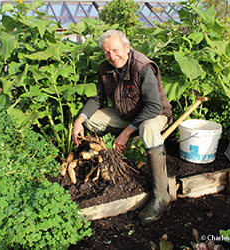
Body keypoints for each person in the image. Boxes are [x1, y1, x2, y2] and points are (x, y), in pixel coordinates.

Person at [72, 30, 173, 222]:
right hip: (127, 116)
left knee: (148, 128)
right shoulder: (105, 69)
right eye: (107, 53)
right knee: (92, 119)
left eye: (116, 50)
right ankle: (102, 165)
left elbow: (153, 106)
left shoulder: (143, 67)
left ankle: (161, 196)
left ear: (127, 47)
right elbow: (98, 98)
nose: (112, 56)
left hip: (155, 115)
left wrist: (126, 132)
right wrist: (80, 119)